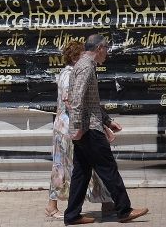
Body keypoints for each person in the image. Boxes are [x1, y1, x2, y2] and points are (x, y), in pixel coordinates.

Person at [60, 34, 145, 224]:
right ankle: (124, 210)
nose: (107, 52)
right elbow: (77, 100)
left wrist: (107, 121)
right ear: (99, 48)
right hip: (88, 130)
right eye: (106, 48)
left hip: (88, 127)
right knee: (108, 168)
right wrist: (78, 128)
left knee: (81, 174)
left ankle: (72, 215)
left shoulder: (85, 66)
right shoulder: (86, 67)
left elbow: (90, 103)